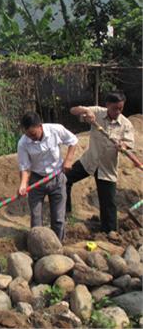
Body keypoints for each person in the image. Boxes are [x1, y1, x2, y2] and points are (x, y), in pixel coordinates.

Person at [66, 91, 135, 233]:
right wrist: (86, 111)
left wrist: (122, 146)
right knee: (64, 179)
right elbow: (73, 110)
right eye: (115, 108)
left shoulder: (126, 124)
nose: (118, 112)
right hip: (89, 161)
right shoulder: (97, 112)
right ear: (107, 105)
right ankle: (65, 214)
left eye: (121, 108)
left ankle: (109, 231)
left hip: (107, 167)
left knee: (108, 202)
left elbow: (128, 144)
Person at [17, 112, 77, 241]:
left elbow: (73, 141)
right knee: (36, 218)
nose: (31, 138)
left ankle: (58, 245)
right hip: (36, 180)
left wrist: (68, 160)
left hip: (57, 178)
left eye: (33, 134)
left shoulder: (56, 130)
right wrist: (23, 184)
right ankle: (37, 246)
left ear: (40, 126)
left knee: (58, 218)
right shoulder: (23, 143)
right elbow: (25, 167)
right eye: (28, 135)